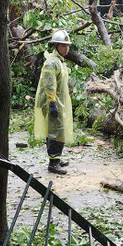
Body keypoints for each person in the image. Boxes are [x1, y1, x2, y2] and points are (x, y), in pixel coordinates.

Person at [34, 31, 74, 175]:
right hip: (51, 102)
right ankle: (53, 162)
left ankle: (57, 157)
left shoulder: (59, 62)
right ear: (56, 46)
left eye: (67, 46)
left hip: (58, 101)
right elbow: (49, 84)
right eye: (63, 46)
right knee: (55, 130)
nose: (66, 49)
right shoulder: (51, 62)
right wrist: (52, 103)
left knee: (58, 129)